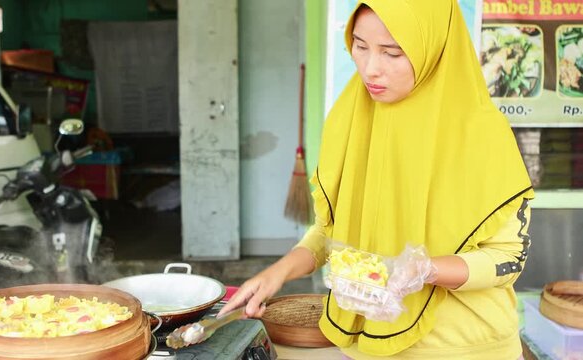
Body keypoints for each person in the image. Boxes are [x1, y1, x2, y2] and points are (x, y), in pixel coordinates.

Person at [219, 0, 534, 359]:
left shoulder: (481, 131)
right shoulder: (354, 117)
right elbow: (333, 229)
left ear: (433, 48)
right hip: (368, 346)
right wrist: (277, 273)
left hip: (466, 348)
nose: (370, 69)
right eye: (360, 45)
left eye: (393, 53)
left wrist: (426, 270)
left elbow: (509, 257)